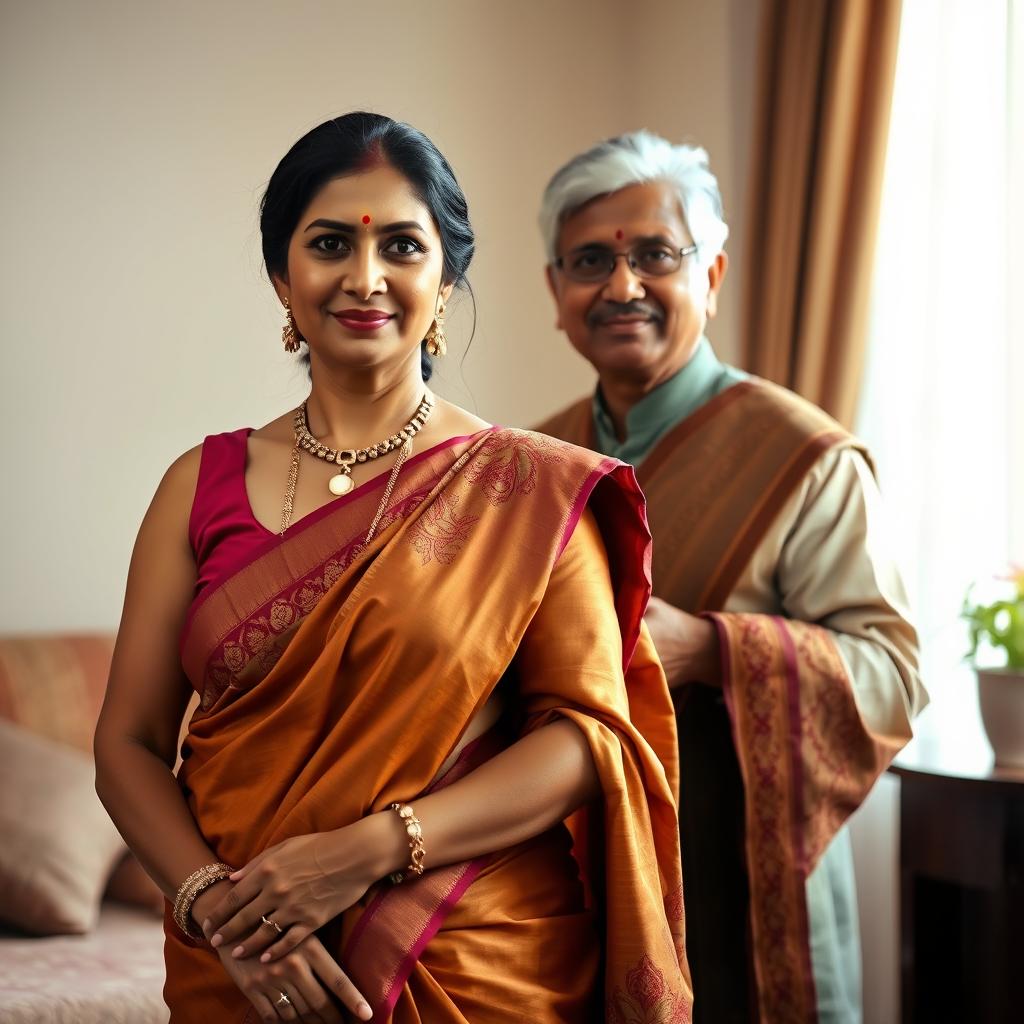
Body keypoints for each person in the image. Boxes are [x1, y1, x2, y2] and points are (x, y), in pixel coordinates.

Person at [94, 113, 691, 1024]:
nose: (364, 278)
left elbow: (586, 741)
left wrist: (367, 851)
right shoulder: (197, 485)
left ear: (444, 282)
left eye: (403, 246)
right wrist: (219, 910)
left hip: (469, 960)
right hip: (244, 972)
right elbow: (128, 742)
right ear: (282, 278)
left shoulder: (530, 489)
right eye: (329, 243)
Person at [534, 130, 926, 1024]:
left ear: (709, 278)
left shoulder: (802, 456)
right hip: (577, 887)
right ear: (557, 294)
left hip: (747, 890)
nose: (622, 286)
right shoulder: (537, 461)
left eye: (655, 256)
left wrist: (712, 648)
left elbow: (894, 679)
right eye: (590, 260)